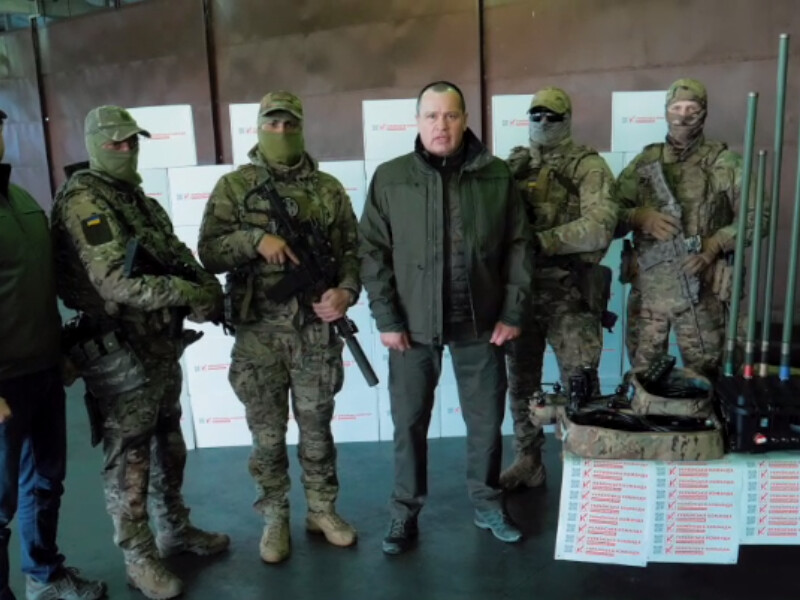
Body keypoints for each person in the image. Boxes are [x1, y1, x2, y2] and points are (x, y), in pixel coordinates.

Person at [51, 106, 229, 600]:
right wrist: (188, 294)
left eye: (132, 141)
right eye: (115, 143)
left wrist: (204, 287)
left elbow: (174, 253)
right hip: (118, 350)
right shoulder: (85, 201)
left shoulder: (137, 201)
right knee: (130, 457)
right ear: (94, 145)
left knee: (169, 443)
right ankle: (138, 557)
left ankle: (174, 528)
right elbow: (116, 281)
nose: (126, 150)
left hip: (158, 344)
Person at [359, 81, 533, 555]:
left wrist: (513, 311)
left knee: (486, 420)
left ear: (465, 120)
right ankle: (404, 512)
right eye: (432, 116)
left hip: (482, 324)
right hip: (412, 327)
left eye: (451, 115)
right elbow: (371, 252)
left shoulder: (496, 175)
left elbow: (519, 246)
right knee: (409, 422)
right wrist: (386, 318)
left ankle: (487, 503)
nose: (442, 125)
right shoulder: (391, 178)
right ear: (418, 122)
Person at [198, 91, 360, 565]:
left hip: (314, 332)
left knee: (317, 430)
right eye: (273, 124)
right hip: (259, 335)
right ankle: (274, 518)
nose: (281, 132)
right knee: (267, 436)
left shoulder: (328, 189)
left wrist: (345, 291)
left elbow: (352, 251)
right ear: (259, 127)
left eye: (290, 124)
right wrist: (255, 239)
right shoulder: (235, 186)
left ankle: (322, 510)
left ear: (302, 127)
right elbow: (209, 252)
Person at [0, 109, 106, 600]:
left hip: (41, 370)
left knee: (45, 481)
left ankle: (42, 575)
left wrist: (60, 352)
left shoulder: (20, 199)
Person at [503, 87, 617, 490]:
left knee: (579, 384)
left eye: (552, 116)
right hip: (522, 294)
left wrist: (542, 241)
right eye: (536, 115)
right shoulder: (513, 166)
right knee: (522, 383)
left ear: (567, 119)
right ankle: (528, 460)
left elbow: (600, 226)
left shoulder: (588, 166)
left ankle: (588, 469)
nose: (543, 122)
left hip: (570, 293)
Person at [614, 78, 760, 377]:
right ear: (666, 111)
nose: (683, 116)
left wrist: (714, 245)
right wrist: (640, 217)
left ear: (704, 112)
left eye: (691, 108)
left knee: (708, 376)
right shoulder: (644, 163)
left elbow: (759, 216)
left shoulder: (725, 163)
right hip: (649, 292)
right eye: (676, 108)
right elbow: (608, 216)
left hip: (702, 291)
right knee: (644, 376)